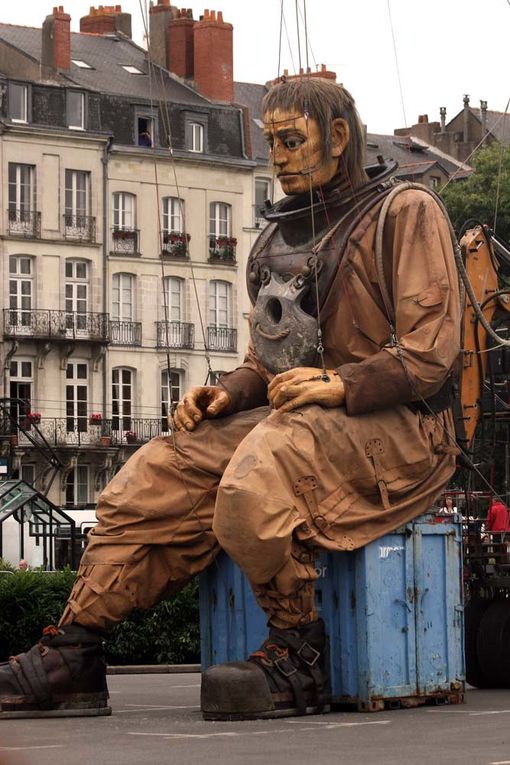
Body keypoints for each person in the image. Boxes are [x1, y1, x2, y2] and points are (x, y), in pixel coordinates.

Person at [0, 76, 461, 720]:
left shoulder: (406, 211)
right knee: (154, 472)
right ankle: (77, 650)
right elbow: (266, 361)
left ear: (337, 137)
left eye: (291, 139)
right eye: (270, 140)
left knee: (259, 472)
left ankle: (299, 651)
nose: (278, 154)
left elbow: (432, 352)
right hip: (306, 417)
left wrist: (341, 384)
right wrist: (225, 393)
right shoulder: (279, 236)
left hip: (403, 427)